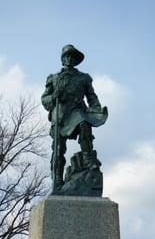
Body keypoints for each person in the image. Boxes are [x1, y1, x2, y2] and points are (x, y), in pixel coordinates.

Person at [41, 44, 107, 190]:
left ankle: (87, 157)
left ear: (76, 60)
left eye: (72, 57)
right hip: (59, 115)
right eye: (67, 56)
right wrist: (53, 97)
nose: (69, 59)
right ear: (62, 59)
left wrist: (96, 109)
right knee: (58, 149)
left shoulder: (84, 78)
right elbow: (44, 99)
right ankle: (57, 179)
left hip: (76, 110)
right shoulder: (53, 78)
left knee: (84, 123)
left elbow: (91, 97)